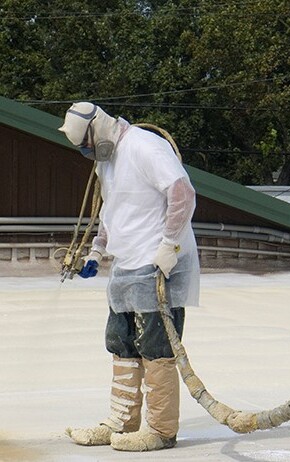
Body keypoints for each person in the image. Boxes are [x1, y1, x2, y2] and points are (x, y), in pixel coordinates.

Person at [58, 102, 200, 452]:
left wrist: (169, 245)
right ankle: (121, 420)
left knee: (156, 347)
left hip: (157, 264)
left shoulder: (145, 146)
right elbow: (112, 209)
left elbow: (182, 193)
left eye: (86, 145)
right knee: (121, 342)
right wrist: (96, 251)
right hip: (125, 266)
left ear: (98, 129)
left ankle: (161, 429)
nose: (86, 152)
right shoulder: (107, 162)